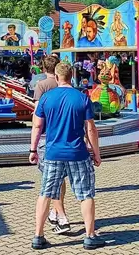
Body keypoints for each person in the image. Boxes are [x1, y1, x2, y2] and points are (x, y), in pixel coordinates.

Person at [30, 62, 104, 250]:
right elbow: (90, 129)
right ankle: (89, 236)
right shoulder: (81, 98)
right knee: (85, 194)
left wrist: (32, 150)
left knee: (45, 193)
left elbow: (37, 126)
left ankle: (38, 236)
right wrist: (96, 153)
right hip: (77, 153)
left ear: (56, 77)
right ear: (72, 76)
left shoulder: (47, 98)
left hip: (53, 153)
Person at [32, 56, 69, 234]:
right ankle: (56, 211)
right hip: (65, 135)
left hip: (47, 136)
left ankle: (61, 216)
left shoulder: (41, 86)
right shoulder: (65, 85)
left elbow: (38, 117)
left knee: (50, 179)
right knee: (60, 178)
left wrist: (32, 145)